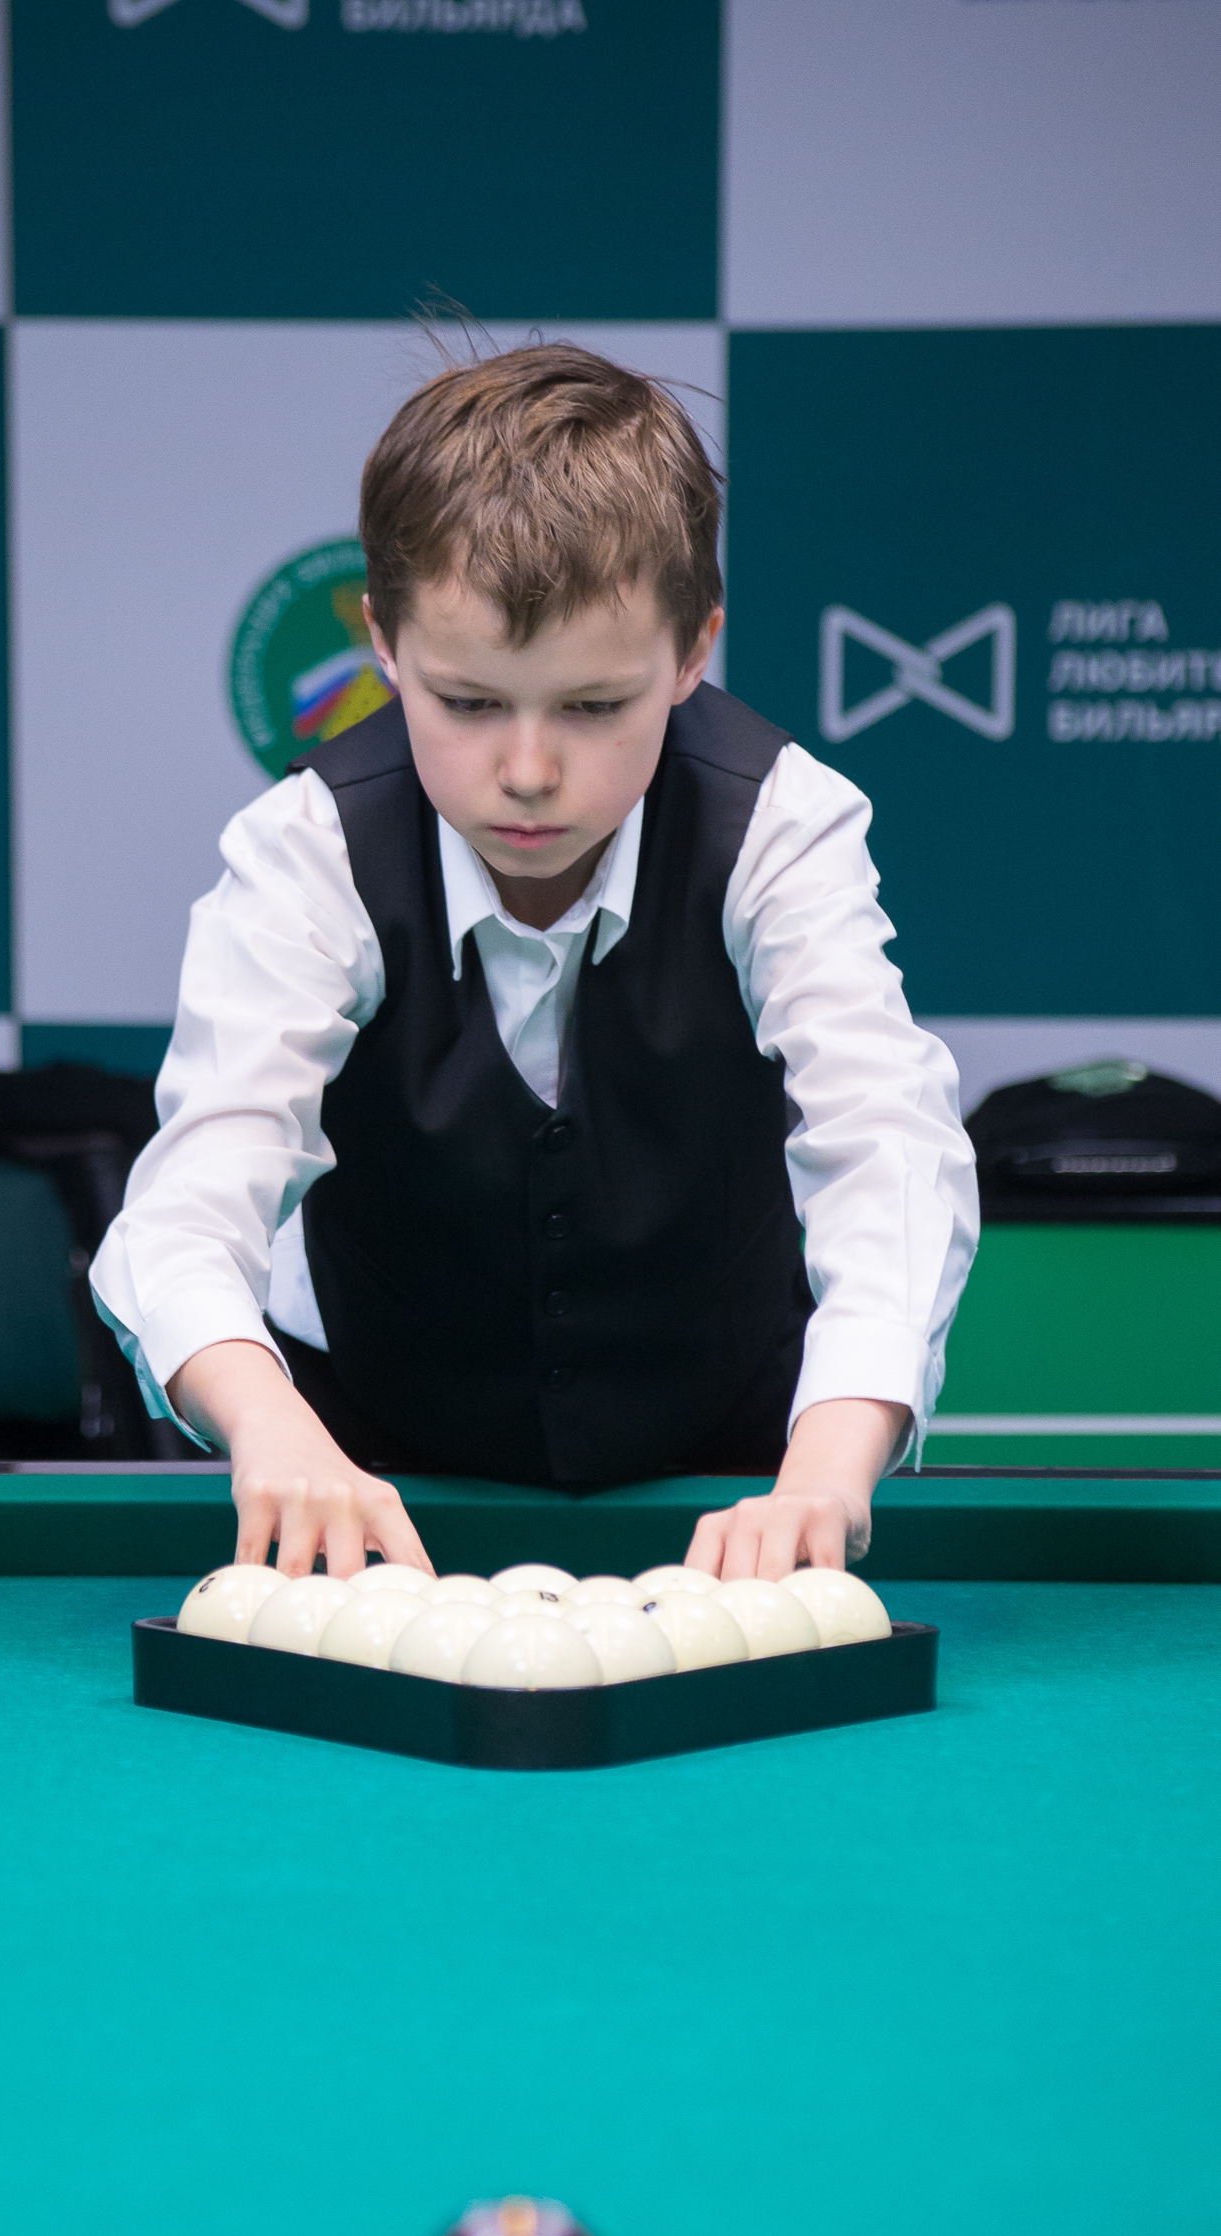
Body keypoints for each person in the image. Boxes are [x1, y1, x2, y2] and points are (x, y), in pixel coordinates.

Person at [93, 345, 977, 1582]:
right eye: (465, 702)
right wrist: (267, 1423)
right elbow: (186, 1207)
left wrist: (823, 1472)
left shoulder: (779, 826)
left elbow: (887, 1148)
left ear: (692, 651)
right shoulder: (305, 849)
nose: (524, 771)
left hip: (733, 1485)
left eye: (592, 706)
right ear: (382, 641)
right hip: (368, 1486)